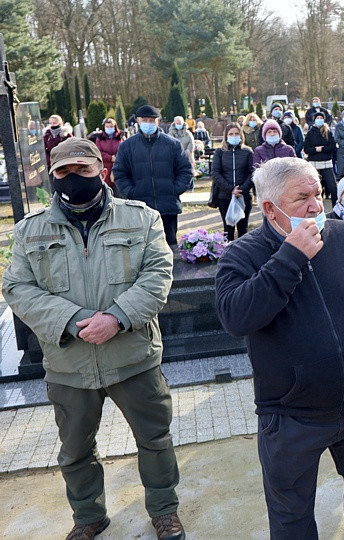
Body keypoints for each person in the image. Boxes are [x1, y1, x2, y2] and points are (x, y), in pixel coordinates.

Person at [2, 138, 185, 540]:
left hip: (133, 357)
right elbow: (17, 288)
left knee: (155, 440)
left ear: (100, 172)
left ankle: (164, 510)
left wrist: (117, 319)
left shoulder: (141, 219)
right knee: (75, 451)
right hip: (69, 365)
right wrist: (75, 320)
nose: (73, 180)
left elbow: (158, 275)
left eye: (82, 171)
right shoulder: (30, 231)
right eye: (63, 173)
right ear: (52, 177)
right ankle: (89, 517)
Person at [214, 157, 344, 539]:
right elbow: (236, 318)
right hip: (291, 417)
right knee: (291, 519)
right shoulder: (242, 255)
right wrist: (291, 256)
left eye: (318, 194)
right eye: (303, 197)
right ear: (270, 209)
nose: (317, 206)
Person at [113, 105, 194, 246]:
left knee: (169, 246)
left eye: (152, 120)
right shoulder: (127, 146)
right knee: (142, 248)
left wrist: (173, 190)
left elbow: (185, 171)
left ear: (158, 121)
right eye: (145, 120)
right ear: (138, 121)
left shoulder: (172, 144)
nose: (148, 123)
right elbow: (120, 174)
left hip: (168, 207)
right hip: (140, 208)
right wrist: (132, 192)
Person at [211, 123, 254, 241]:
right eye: (231, 134)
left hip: (243, 196)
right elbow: (215, 173)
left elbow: (253, 173)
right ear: (226, 136)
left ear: (241, 135)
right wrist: (230, 189)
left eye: (236, 134)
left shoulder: (248, 151)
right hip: (225, 197)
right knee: (228, 230)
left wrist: (242, 189)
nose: (234, 136)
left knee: (243, 230)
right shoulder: (220, 152)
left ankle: (243, 257)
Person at [304, 111, 338, 206]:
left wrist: (323, 148)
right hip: (314, 163)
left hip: (326, 163)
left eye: (321, 118)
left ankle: (335, 208)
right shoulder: (310, 133)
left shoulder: (327, 131)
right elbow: (307, 149)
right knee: (315, 189)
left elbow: (332, 146)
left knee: (333, 188)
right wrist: (316, 149)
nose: (320, 120)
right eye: (318, 118)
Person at [94, 117, 125, 197]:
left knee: (119, 194)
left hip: (119, 167)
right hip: (105, 168)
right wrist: (110, 158)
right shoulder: (99, 138)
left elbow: (125, 149)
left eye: (111, 126)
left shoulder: (120, 137)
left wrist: (117, 157)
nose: (109, 128)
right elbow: (98, 151)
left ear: (115, 127)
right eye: (107, 126)